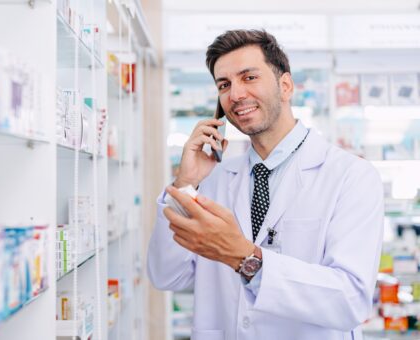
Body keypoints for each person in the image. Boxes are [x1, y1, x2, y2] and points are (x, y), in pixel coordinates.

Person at [147, 29, 384, 340]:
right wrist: (186, 182)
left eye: (249, 78)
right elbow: (166, 275)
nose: (235, 95)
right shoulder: (214, 179)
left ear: (285, 85)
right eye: (224, 85)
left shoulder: (351, 176)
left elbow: (350, 301)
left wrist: (246, 259)